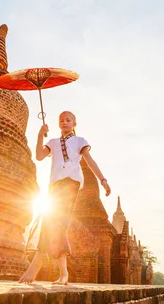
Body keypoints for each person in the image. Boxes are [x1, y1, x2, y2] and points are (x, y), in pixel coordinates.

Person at [19, 111, 111, 285]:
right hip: (54, 184)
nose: (64, 122)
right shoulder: (52, 143)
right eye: (61, 120)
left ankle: (36, 262)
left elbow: (90, 161)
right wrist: (40, 134)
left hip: (71, 182)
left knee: (53, 221)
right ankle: (64, 273)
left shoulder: (79, 141)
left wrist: (103, 179)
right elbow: (39, 156)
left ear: (74, 124)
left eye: (68, 120)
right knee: (56, 223)